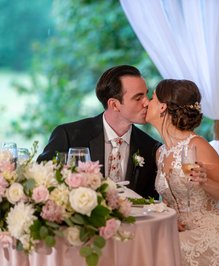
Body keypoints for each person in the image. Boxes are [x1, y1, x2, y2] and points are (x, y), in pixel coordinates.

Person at [146, 79, 219, 265]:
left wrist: (205, 181)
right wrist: (169, 219)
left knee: (159, 249)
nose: (146, 103)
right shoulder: (160, 153)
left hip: (217, 232)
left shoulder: (197, 145)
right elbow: (168, 202)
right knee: (148, 243)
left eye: (151, 98)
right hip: (182, 231)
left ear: (162, 107)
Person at [37, 65, 161, 199]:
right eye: (138, 98)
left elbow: (150, 203)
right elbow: (41, 181)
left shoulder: (150, 148)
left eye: (146, 95)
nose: (147, 102)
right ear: (114, 104)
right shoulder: (69, 136)